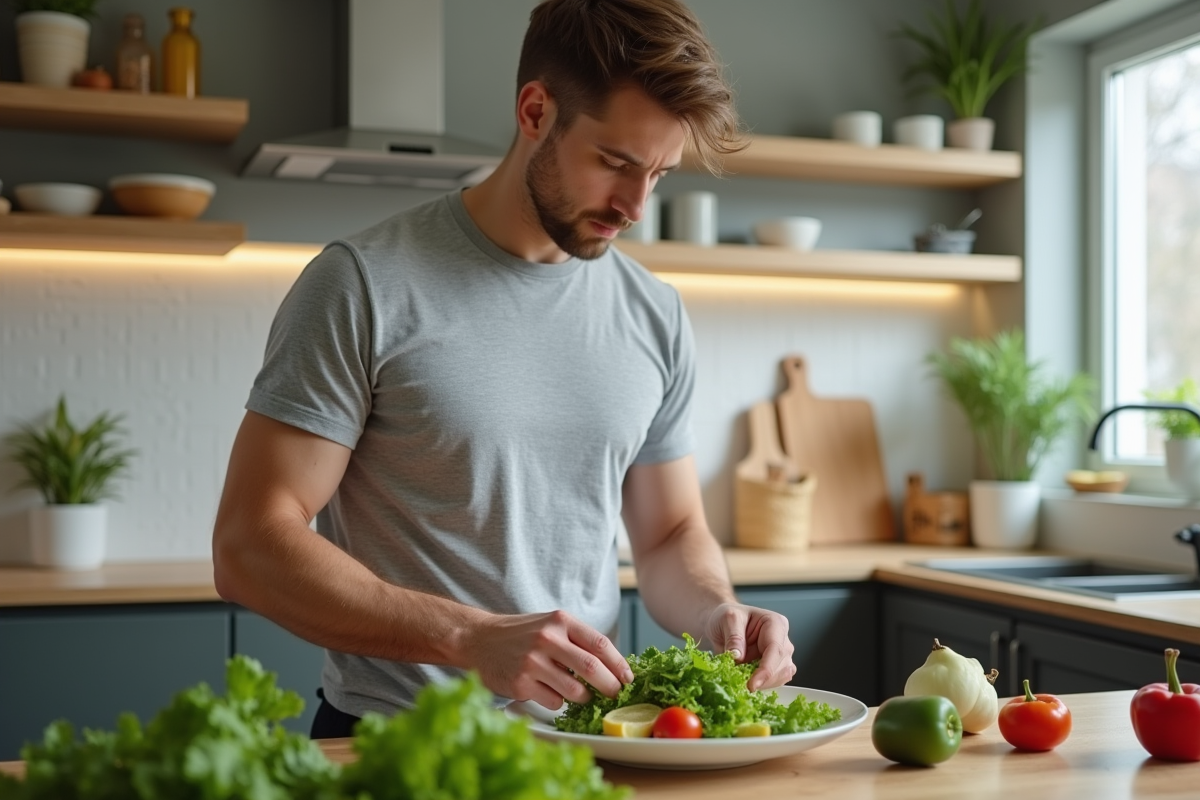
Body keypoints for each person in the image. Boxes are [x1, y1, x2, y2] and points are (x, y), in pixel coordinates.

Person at [212, 0, 796, 739]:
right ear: (535, 111)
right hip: (395, 744)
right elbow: (249, 544)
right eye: (614, 162)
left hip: (588, 743)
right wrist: (467, 637)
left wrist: (718, 608)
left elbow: (669, 531)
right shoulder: (364, 283)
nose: (635, 205)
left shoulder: (654, 313)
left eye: (659, 173)